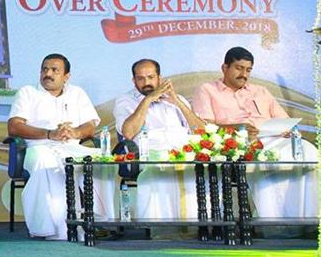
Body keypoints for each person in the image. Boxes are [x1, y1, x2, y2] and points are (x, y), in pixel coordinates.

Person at [191, 46, 317, 219]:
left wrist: (286, 129)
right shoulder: (207, 90)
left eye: (248, 70)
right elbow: (203, 126)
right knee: (273, 158)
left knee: (309, 151)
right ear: (225, 68)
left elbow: (285, 121)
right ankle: (273, 220)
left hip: (274, 138)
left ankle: (308, 217)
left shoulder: (260, 91)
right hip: (240, 145)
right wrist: (235, 128)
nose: (244, 74)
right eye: (239, 68)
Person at [7, 53, 112, 240]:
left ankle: (101, 222)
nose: (48, 74)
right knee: (47, 161)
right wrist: (50, 134)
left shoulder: (77, 93)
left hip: (71, 146)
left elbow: (90, 126)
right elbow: (14, 126)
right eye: (45, 69)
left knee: (102, 161)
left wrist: (75, 133)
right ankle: (57, 229)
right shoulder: (27, 92)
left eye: (55, 70)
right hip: (39, 147)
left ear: (66, 76)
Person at [113, 59, 204, 220]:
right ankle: (159, 226)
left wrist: (177, 102)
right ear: (133, 81)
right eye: (140, 78)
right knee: (159, 174)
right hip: (151, 156)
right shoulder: (125, 101)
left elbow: (202, 132)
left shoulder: (177, 99)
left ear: (159, 78)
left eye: (150, 77)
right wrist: (147, 100)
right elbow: (128, 132)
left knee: (206, 171)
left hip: (185, 154)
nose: (146, 83)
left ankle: (201, 223)